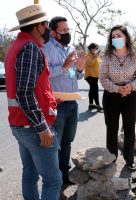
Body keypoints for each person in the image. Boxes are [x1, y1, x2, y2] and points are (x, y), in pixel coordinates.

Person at [5, 4, 62, 200]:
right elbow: (24, 92)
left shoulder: (16, 46)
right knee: (53, 180)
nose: (48, 28)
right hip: (33, 127)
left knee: (30, 173)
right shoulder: (29, 48)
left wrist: (50, 99)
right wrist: (42, 127)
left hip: (21, 124)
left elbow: (31, 87)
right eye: (46, 24)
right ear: (38, 26)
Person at [41, 16, 86, 187]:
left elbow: (74, 75)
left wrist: (79, 67)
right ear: (53, 32)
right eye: (63, 30)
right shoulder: (45, 48)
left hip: (72, 102)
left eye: (68, 30)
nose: (67, 33)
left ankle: (65, 175)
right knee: (56, 144)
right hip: (56, 103)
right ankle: (54, 180)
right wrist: (65, 66)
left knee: (67, 141)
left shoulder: (71, 48)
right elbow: (44, 74)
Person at [100, 25, 136, 171]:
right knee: (111, 128)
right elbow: (103, 78)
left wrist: (130, 86)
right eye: (113, 36)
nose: (116, 39)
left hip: (131, 95)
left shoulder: (134, 56)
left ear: (126, 37)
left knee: (129, 127)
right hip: (111, 95)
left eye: (119, 35)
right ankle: (111, 158)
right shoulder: (107, 56)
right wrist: (117, 89)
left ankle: (129, 159)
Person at [85, 43, 102, 112]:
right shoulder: (88, 55)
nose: (96, 50)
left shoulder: (94, 55)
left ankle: (91, 104)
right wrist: (95, 57)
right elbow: (90, 63)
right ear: (91, 49)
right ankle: (98, 105)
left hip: (95, 76)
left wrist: (97, 56)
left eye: (97, 49)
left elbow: (99, 62)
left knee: (92, 90)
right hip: (90, 76)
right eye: (95, 48)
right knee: (95, 90)